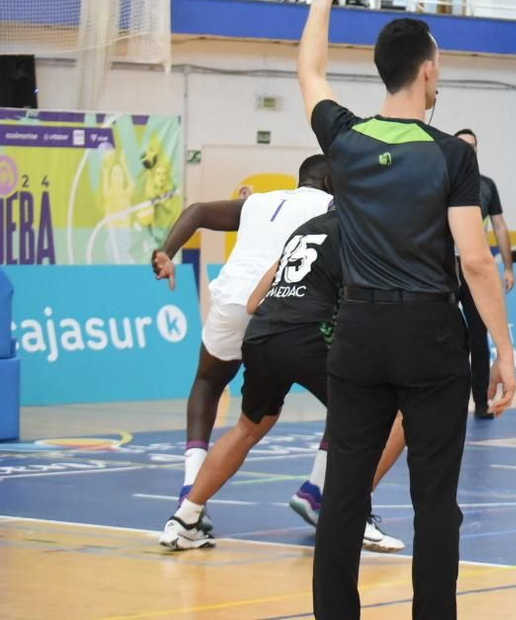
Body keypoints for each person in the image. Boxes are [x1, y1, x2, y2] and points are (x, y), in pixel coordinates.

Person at [296, 0, 516, 620]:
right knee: (433, 501)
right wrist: (504, 349)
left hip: (358, 331)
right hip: (428, 333)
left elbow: (310, 74)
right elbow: (476, 259)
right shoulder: (451, 155)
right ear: (427, 72)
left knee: (346, 494)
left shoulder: (347, 138)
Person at [159, 207, 406, 554]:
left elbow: (252, 303)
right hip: (307, 336)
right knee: (392, 412)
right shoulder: (360, 231)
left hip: (262, 333)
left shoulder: (305, 230)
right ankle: (354, 514)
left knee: (249, 427)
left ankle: (184, 520)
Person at [149, 155, 333, 528]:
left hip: (232, 299)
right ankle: (316, 488)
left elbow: (198, 210)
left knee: (208, 381)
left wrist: (168, 252)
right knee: (357, 395)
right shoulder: (333, 206)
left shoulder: (260, 201)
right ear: (332, 179)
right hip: (282, 308)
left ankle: (190, 490)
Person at [453, 128, 515, 421]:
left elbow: (500, 227)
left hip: (474, 269)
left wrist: (509, 266)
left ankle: (480, 401)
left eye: (472, 147)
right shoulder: (439, 179)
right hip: (441, 269)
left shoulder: (486, 186)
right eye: (462, 146)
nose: (467, 152)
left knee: (479, 338)